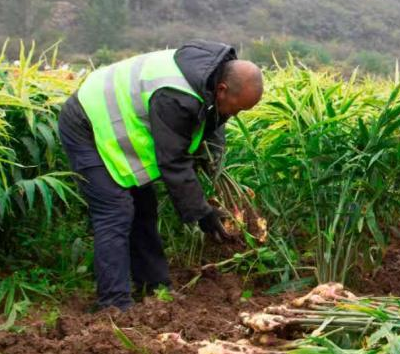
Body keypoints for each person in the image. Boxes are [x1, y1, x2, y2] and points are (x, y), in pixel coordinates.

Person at [57, 43, 264, 311]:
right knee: (115, 211)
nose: (235, 115)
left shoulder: (210, 78)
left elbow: (209, 129)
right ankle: (113, 304)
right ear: (223, 89)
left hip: (118, 129)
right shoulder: (177, 96)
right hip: (87, 123)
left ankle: (155, 287)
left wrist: (214, 170)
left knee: (144, 208)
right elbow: (173, 161)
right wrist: (203, 213)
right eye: (236, 109)